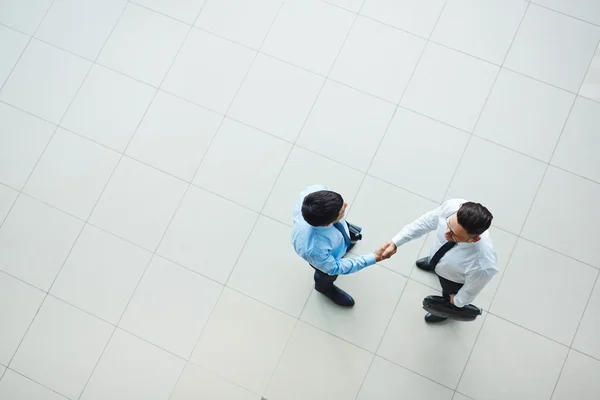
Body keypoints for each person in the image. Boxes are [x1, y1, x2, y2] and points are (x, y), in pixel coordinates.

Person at [383, 199, 497, 323]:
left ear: (474, 239)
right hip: (440, 258)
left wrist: (458, 301)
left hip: (453, 278)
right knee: (437, 259)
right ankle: (434, 264)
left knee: (448, 298)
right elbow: (425, 222)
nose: (446, 234)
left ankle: (443, 314)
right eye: (448, 225)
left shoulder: (483, 264)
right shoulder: (451, 208)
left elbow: (472, 288)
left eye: (454, 235)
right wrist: (396, 242)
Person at [292, 185, 390, 307]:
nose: (346, 204)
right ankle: (324, 289)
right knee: (326, 275)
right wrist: (373, 257)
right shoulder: (314, 249)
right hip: (324, 260)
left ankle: (345, 243)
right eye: (342, 210)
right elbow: (334, 267)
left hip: (335, 237)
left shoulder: (314, 191)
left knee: (346, 237)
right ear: (328, 224)